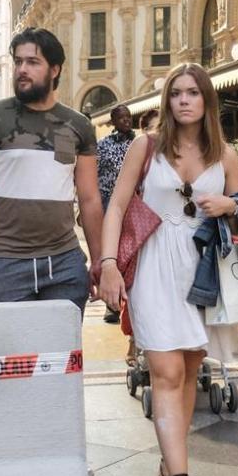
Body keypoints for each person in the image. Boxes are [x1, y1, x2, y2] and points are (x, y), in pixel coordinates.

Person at [100, 63, 238, 476]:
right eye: (177, 93)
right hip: (155, 265)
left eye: (193, 93)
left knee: (188, 368)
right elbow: (117, 205)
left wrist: (229, 204)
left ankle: (170, 462)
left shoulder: (227, 155)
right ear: (167, 101)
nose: (184, 100)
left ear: (207, 101)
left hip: (204, 271)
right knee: (165, 371)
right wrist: (107, 263)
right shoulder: (145, 147)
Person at [0, 28, 103, 314]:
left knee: (63, 358)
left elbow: (89, 199)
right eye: (18, 62)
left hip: (65, 265)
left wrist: (99, 259)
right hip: (6, 264)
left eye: (32, 62)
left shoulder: (78, 125)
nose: (22, 70)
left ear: (54, 69)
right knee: (17, 358)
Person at [96, 105, 135, 324]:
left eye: (128, 117)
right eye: (121, 118)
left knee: (132, 256)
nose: (126, 121)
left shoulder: (139, 143)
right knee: (111, 256)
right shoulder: (103, 146)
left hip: (136, 207)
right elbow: (93, 177)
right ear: (113, 121)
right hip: (110, 207)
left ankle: (131, 305)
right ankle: (111, 305)